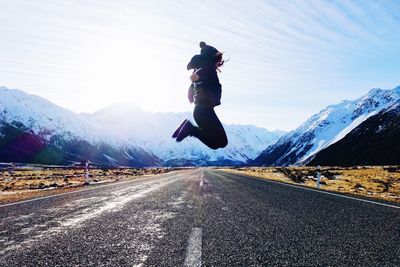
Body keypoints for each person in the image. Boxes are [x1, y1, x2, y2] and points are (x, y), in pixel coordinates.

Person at [172, 41, 228, 150]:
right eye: (218, 60)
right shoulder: (208, 69)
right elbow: (197, 78)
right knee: (221, 142)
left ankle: (189, 128)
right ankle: (189, 128)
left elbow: (194, 82)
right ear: (212, 58)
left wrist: (193, 85)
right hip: (204, 111)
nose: (219, 63)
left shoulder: (205, 69)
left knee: (219, 142)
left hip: (202, 111)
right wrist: (196, 78)